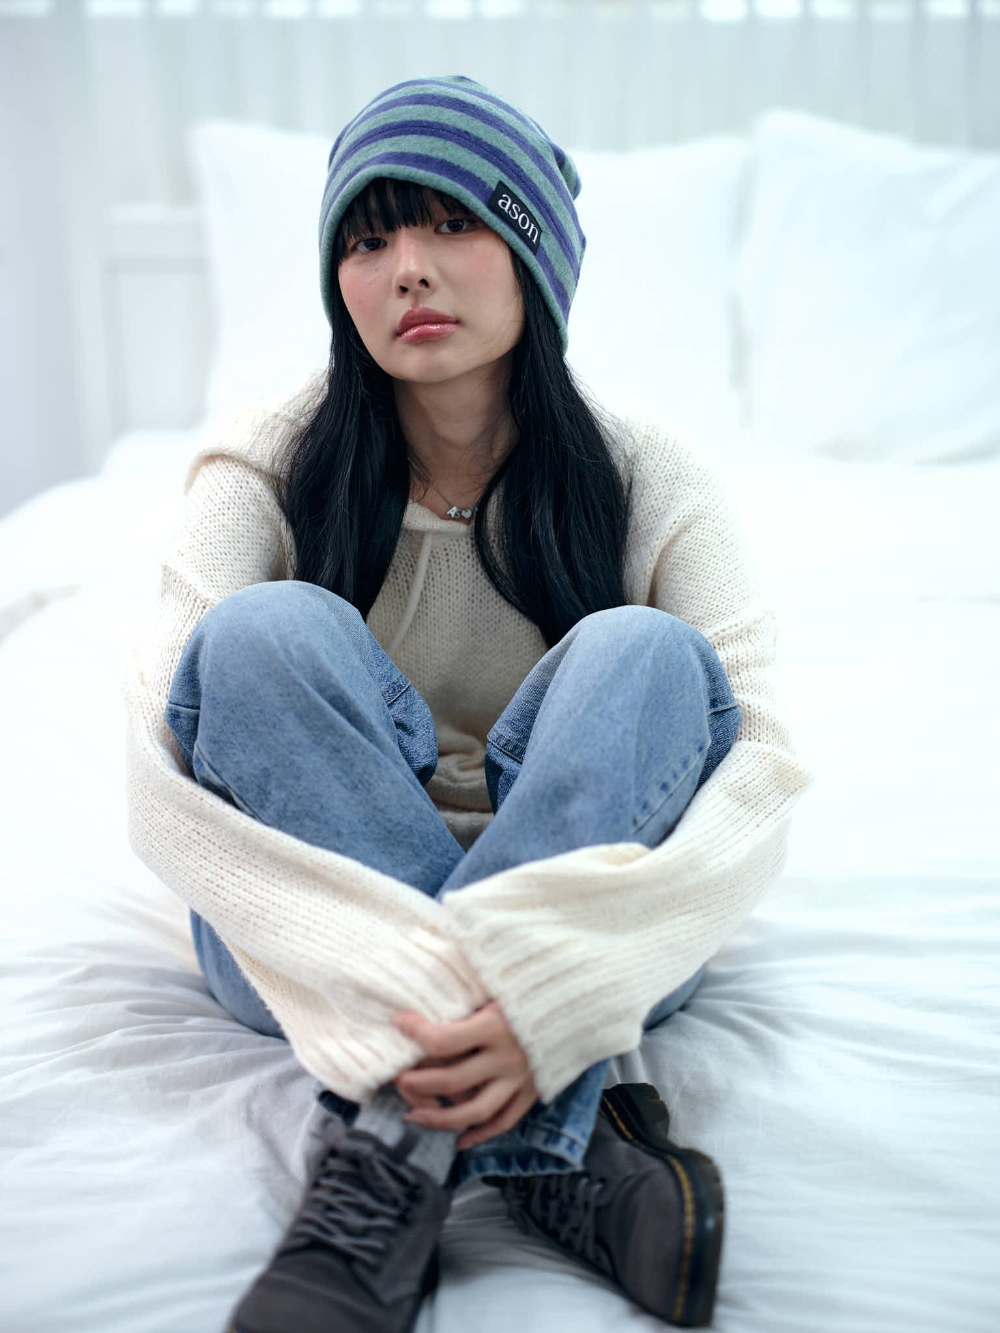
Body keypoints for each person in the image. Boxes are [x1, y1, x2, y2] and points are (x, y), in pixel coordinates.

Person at [124, 76, 809, 1333]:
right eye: (367, 240)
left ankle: (391, 1152)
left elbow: (760, 770)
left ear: (534, 254)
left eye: (452, 224)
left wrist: (556, 976)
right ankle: (570, 1148)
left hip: (594, 934)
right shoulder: (264, 462)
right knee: (258, 636)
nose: (408, 271)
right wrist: (458, 989)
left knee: (648, 654)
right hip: (303, 939)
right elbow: (155, 775)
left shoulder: (644, 471)